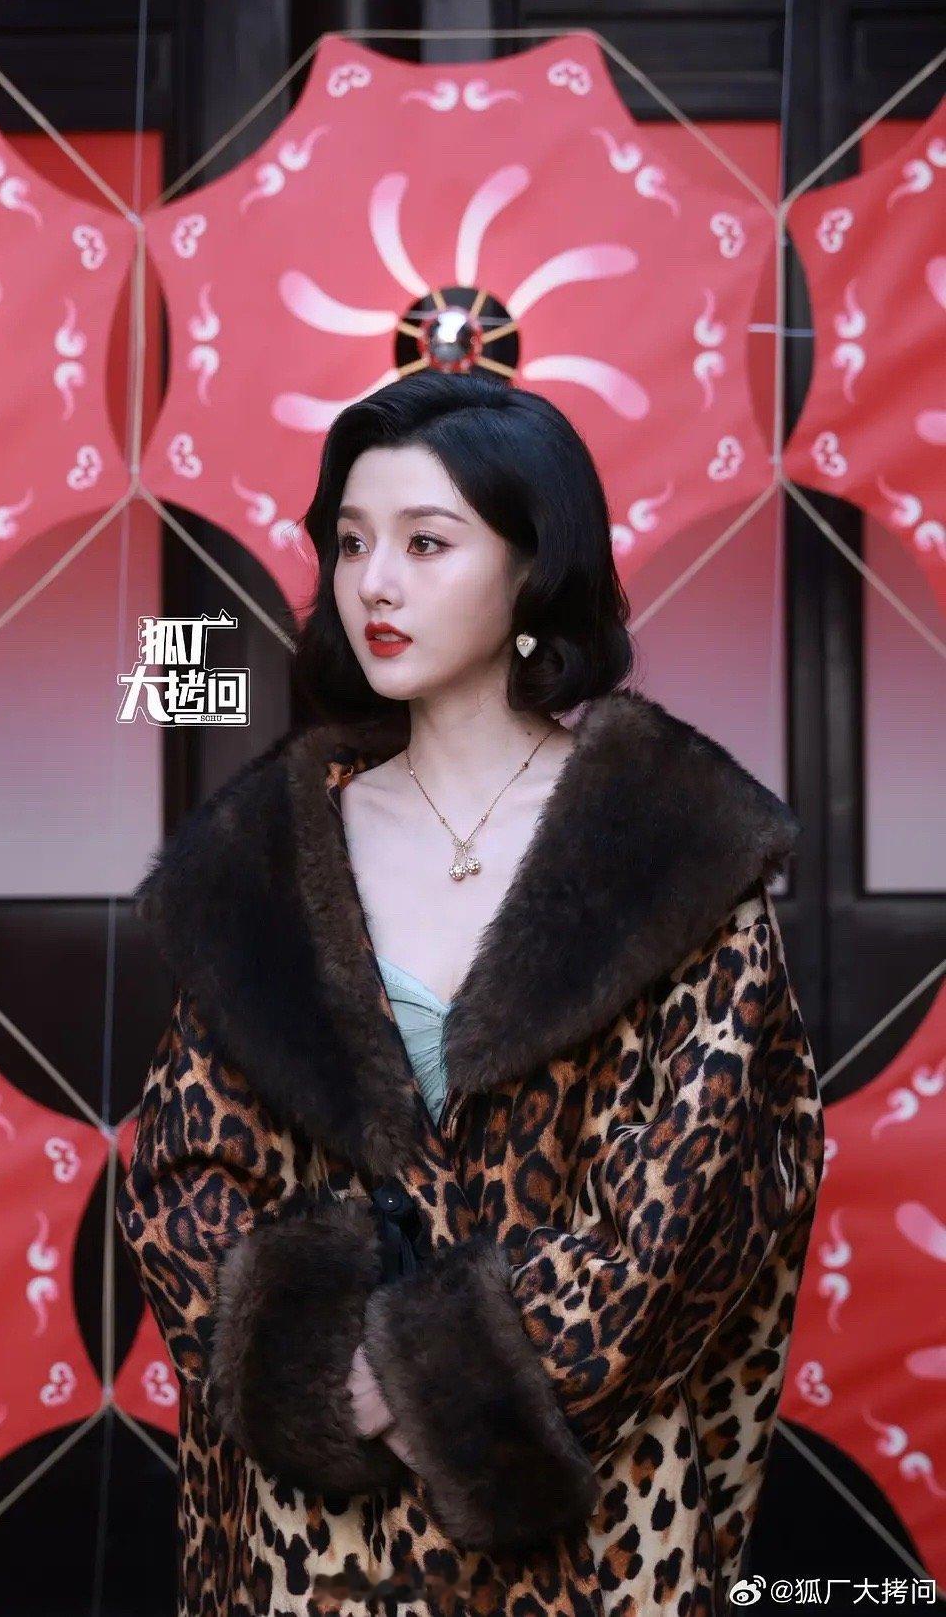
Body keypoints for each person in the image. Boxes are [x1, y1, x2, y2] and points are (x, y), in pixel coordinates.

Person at [116, 370, 825, 1616]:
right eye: (350, 542)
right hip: (312, 1545)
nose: (373, 584)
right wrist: (318, 1367)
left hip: (584, 1527)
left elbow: (699, 1205)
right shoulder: (264, 857)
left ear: (533, 565)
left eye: (426, 542)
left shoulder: (674, 849)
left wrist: (432, 1375)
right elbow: (183, 1174)